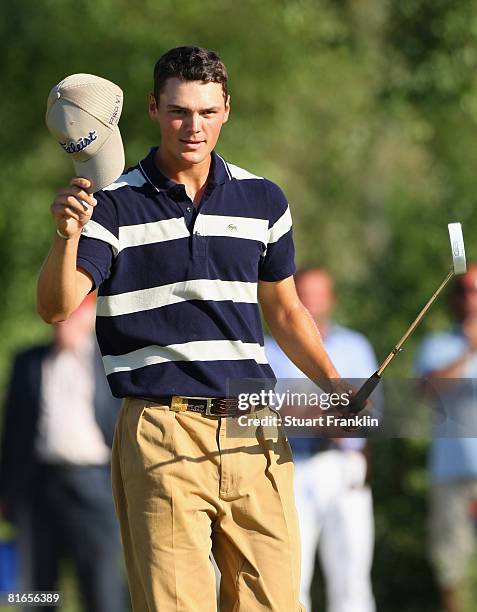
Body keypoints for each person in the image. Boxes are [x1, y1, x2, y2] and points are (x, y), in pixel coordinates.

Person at [36, 46, 350, 612]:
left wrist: (332, 381)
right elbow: (57, 307)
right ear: (154, 108)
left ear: (226, 109)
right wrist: (66, 235)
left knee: (277, 603)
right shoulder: (111, 205)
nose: (193, 126)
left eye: (206, 112)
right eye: (179, 111)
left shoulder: (264, 200)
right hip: (161, 428)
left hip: (254, 427)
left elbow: (284, 310)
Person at [0, 294, 125, 612]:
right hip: (39, 489)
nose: (63, 326)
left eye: (71, 317)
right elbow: (13, 433)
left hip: (96, 489)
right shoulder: (28, 362)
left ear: (88, 319)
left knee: (102, 589)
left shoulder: (111, 366)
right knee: (36, 591)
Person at [265, 268, 378, 612]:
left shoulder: (356, 345)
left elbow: (374, 416)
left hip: (345, 466)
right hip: (292, 467)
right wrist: (322, 419)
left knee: (353, 578)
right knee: (294, 576)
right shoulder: (269, 349)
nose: (312, 303)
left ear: (331, 299)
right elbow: (264, 411)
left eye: (319, 294)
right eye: (305, 295)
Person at [416, 263, 477, 612]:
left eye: (476, 291)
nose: (471, 299)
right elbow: (427, 391)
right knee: (451, 568)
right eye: (465, 290)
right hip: (451, 475)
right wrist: (468, 351)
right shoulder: (438, 345)